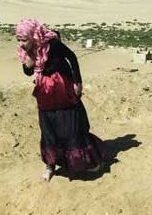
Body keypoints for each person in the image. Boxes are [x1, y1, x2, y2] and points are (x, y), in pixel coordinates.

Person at [16, 18, 105, 181]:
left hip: (64, 89)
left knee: (71, 127)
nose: (21, 44)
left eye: (24, 40)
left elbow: (72, 57)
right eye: (18, 40)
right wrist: (27, 65)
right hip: (45, 93)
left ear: (34, 36)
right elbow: (29, 72)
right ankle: (50, 165)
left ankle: (90, 161)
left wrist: (78, 81)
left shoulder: (52, 44)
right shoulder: (26, 52)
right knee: (48, 129)